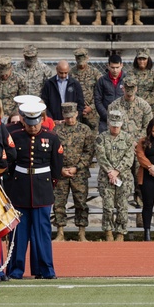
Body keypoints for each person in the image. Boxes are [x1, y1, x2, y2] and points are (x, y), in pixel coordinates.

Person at [6, 97, 63, 278]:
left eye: (35, 123)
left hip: (42, 189)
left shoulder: (51, 138)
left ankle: (45, 269)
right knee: (19, 234)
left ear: (41, 119)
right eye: (29, 123)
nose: (32, 127)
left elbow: (56, 166)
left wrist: (50, 185)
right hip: (20, 188)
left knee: (42, 233)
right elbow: (10, 164)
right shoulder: (15, 136)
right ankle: (15, 270)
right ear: (23, 120)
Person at [52, 102, 95, 240]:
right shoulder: (56, 131)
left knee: (81, 202)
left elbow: (89, 152)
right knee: (59, 202)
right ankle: (60, 232)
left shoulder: (85, 130)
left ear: (76, 114)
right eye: (66, 116)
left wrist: (77, 167)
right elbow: (53, 153)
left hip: (79, 173)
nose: (69, 119)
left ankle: (81, 232)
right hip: (62, 173)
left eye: (71, 116)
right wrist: (61, 169)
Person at [96, 108, 133, 241]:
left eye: (117, 125)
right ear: (108, 124)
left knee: (122, 206)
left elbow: (129, 157)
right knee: (108, 206)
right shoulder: (101, 138)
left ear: (122, 124)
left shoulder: (128, 138)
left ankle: (121, 233)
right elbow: (101, 157)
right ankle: (108, 232)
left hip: (123, 177)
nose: (115, 128)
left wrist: (117, 171)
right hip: (106, 178)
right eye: (113, 125)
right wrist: (110, 172)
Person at [94, 54, 124, 132]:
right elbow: (97, 100)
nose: (115, 70)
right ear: (108, 66)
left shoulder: (127, 80)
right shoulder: (102, 81)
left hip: (124, 119)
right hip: (105, 120)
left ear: (121, 65)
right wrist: (106, 116)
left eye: (117, 67)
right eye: (112, 67)